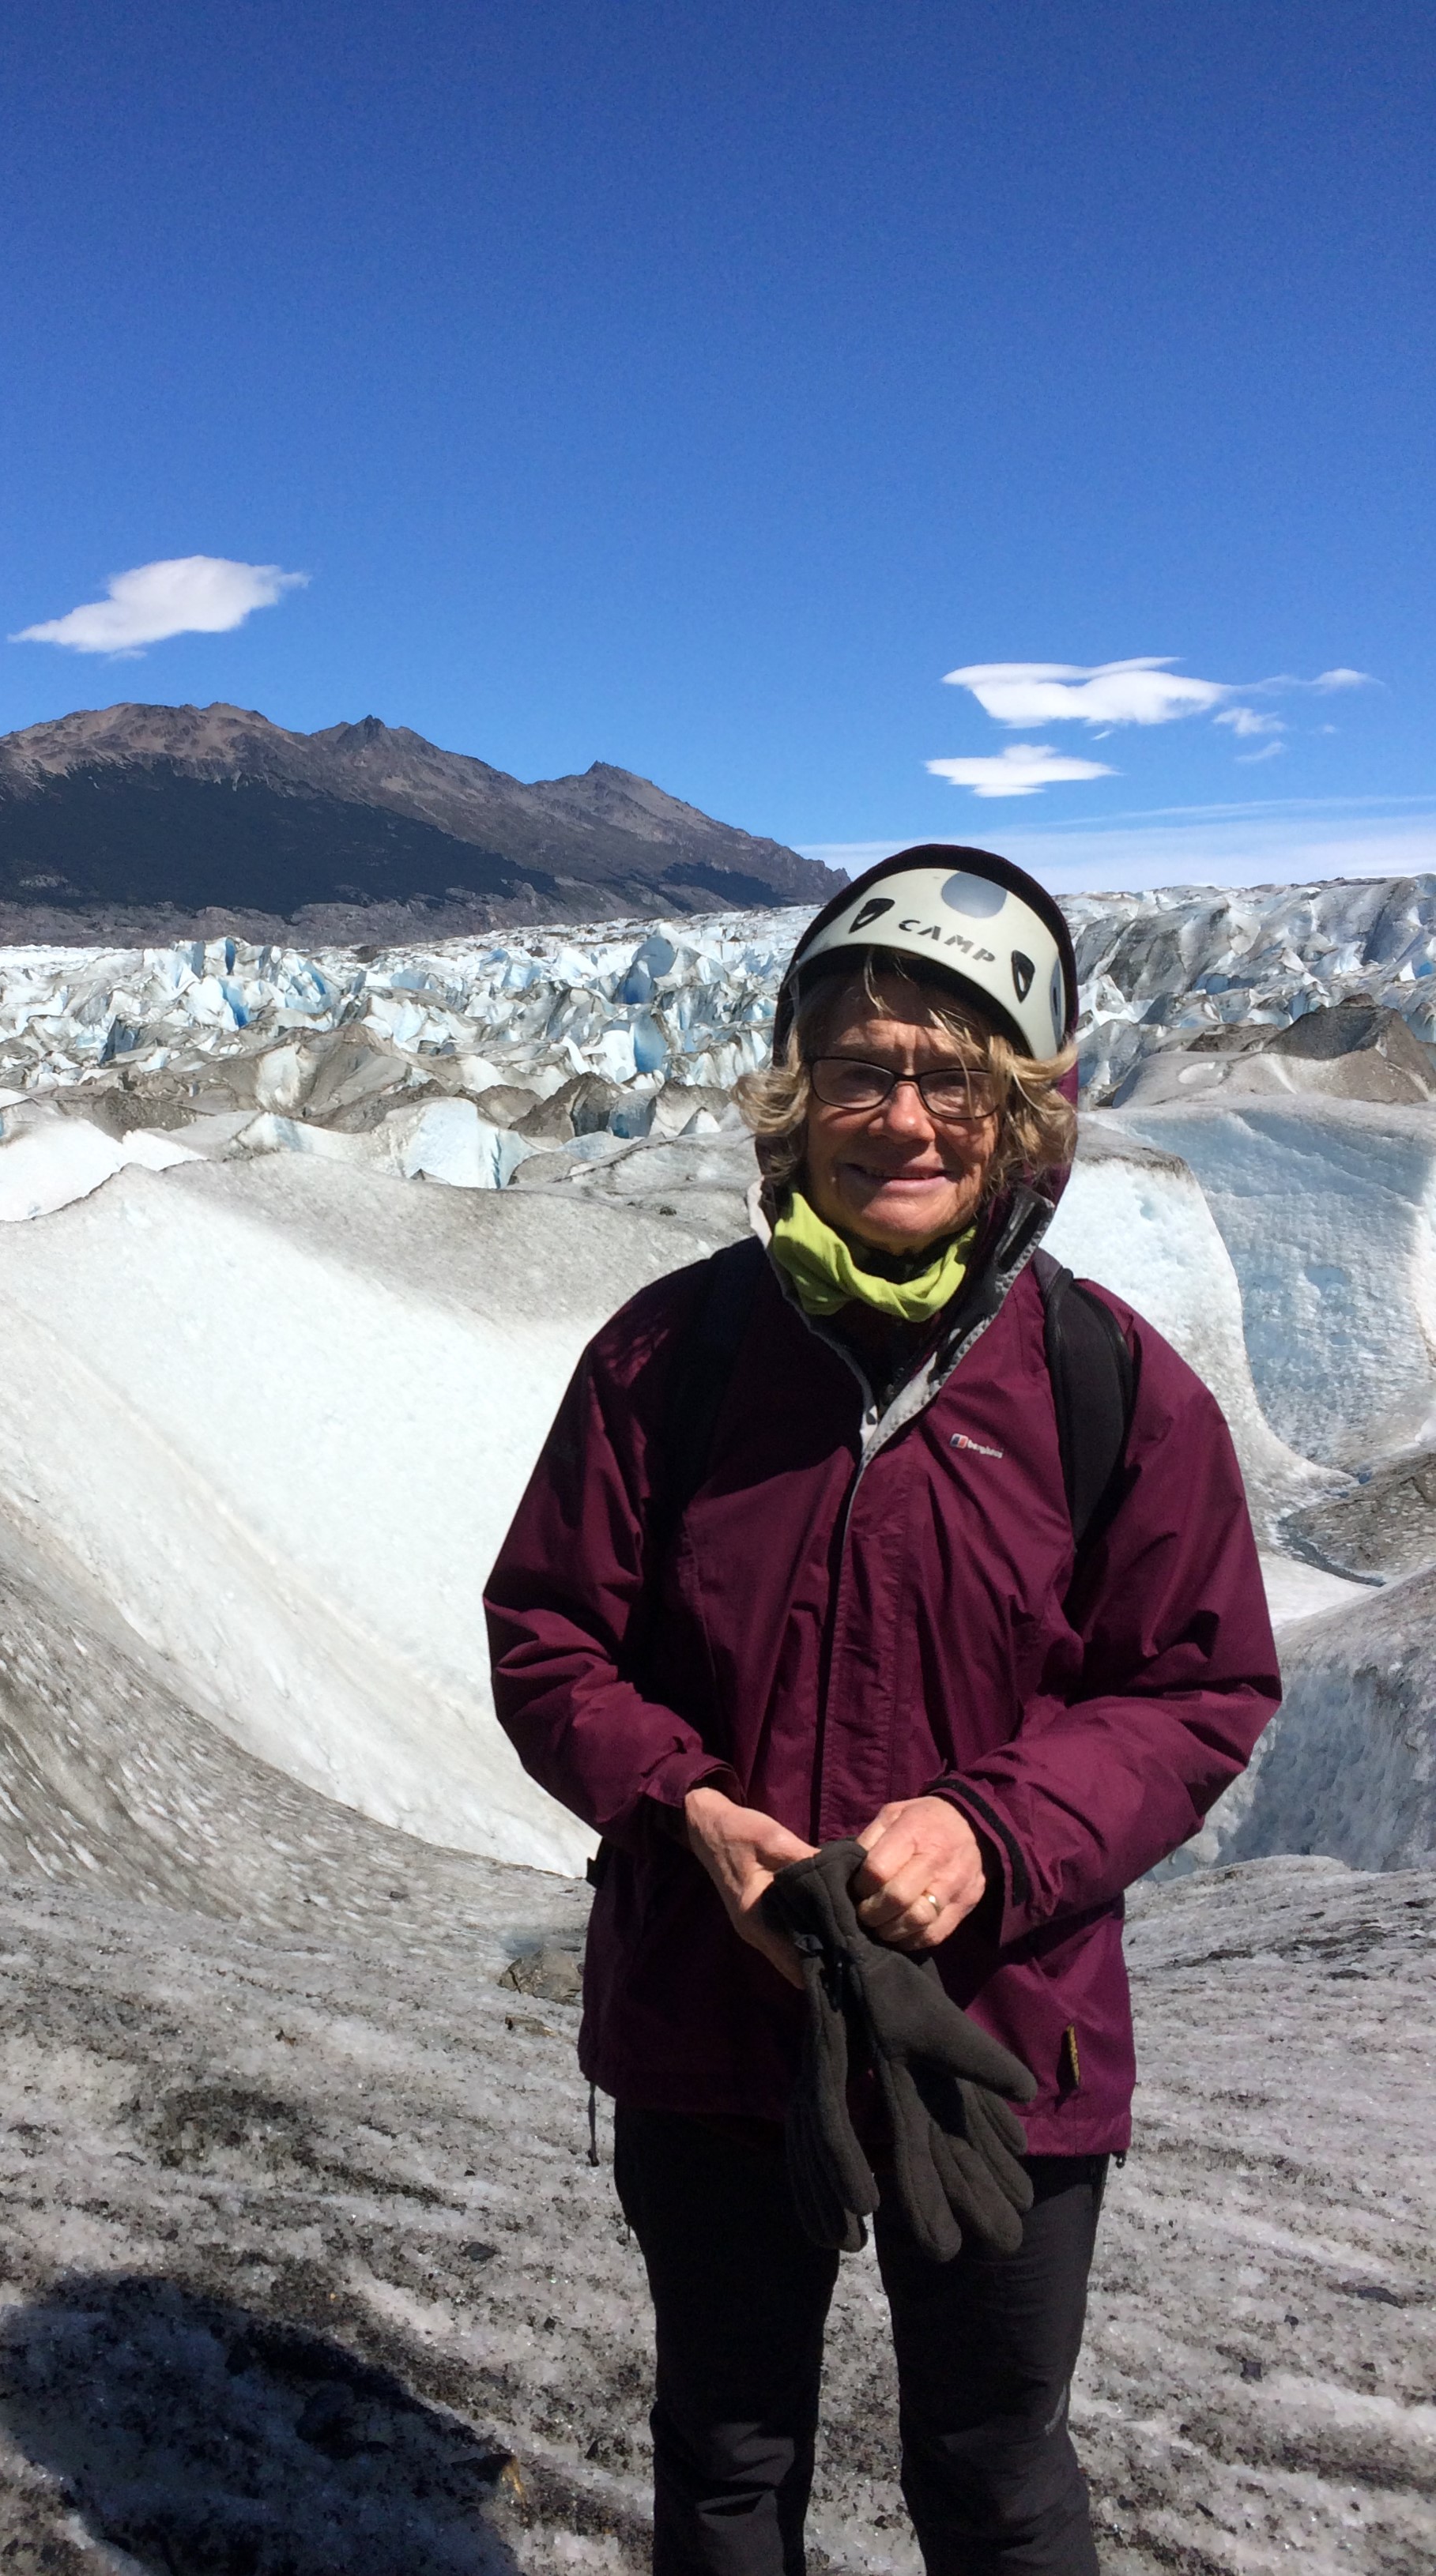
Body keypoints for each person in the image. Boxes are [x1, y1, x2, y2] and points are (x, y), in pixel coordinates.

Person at [484, 845, 1280, 2576]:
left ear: (1025, 1115)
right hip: (712, 2021)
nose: (903, 1119)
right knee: (727, 2450)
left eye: (953, 1077)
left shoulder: (1111, 1389)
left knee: (995, 2470)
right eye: (858, 1070)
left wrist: (990, 1833)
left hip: (997, 2035)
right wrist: (689, 1810)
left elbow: (1196, 1682)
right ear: (796, 1099)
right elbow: (548, 1638)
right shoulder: (666, 1361)